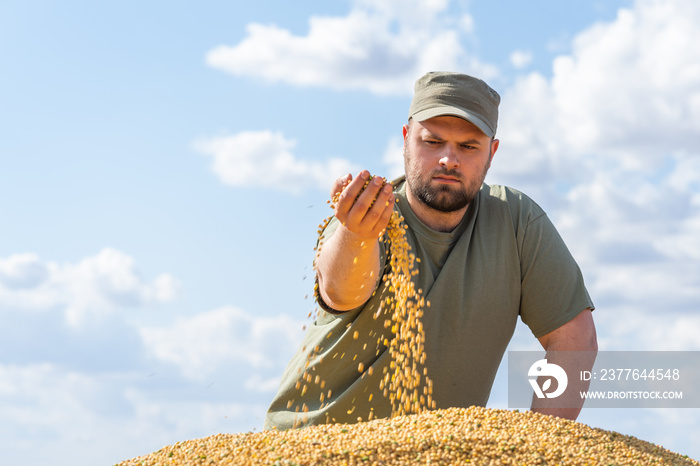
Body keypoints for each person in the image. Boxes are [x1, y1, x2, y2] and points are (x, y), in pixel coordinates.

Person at [265, 71, 597, 430]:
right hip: (313, 442)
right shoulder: (370, 212)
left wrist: (540, 445)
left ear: (492, 152)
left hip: (431, 451)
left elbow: (574, 337)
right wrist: (356, 235)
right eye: (433, 141)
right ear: (406, 139)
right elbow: (340, 293)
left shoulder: (517, 224)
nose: (448, 160)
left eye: (468, 146)